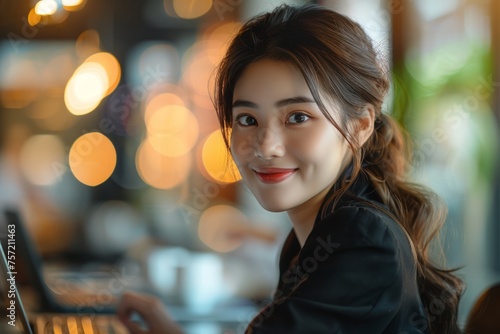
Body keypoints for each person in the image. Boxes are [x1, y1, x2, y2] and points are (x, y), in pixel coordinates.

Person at [117, 4, 464, 333]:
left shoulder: (362, 237)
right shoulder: (311, 239)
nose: (266, 146)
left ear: (359, 126)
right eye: (247, 119)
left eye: (298, 117)